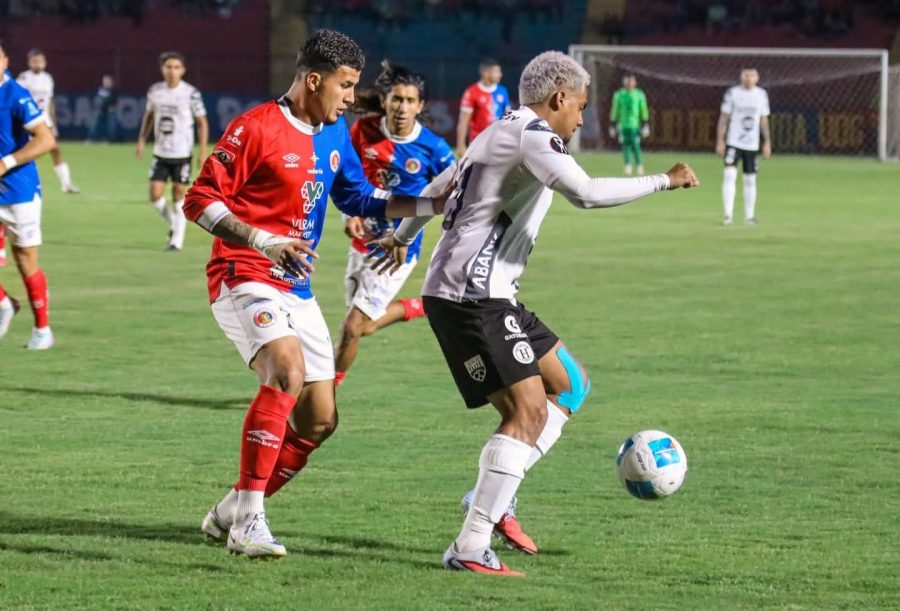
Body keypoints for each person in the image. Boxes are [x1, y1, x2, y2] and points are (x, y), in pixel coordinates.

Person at [371, 51, 698, 576]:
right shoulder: (532, 135)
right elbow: (586, 194)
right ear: (559, 98)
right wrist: (665, 179)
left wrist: (401, 235)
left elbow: (438, 191)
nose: (582, 119)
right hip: (470, 294)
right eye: (581, 107)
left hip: (490, 292)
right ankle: (471, 543)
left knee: (570, 385)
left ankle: (494, 496)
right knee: (527, 413)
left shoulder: (499, 130)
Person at [184, 29, 449, 559]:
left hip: (296, 287)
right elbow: (199, 199)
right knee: (286, 372)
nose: (353, 98)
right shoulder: (256, 127)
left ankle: (231, 509)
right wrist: (264, 240)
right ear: (312, 80)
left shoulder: (333, 134)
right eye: (345, 86)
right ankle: (249, 523)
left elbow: (359, 196)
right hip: (243, 271)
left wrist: (428, 204)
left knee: (320, 420)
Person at [334, 60, 455, 388]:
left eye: (410, 100)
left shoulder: (434, 149)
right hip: (362, 244)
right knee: (365, 325)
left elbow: (457, 192)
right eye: (397, 99)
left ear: (420, 105)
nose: (402, 107)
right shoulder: (364, 131)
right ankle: (417, 307)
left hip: (397, 250)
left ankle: (323, 393)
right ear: (385, 100)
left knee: (352, 327)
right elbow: (345, 177)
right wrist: (350, 216)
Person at [0, 40, 58, 349]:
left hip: (18, 189)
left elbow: (46, 139)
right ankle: (5, 304)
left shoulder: (16, 95)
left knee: (25, 261)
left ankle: (42, 329)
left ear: (5, 61)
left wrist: (6, 162)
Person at [136, 51, 208, 251]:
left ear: (183, 70)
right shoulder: (155, 91)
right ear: (162, 69)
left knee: (178, 195)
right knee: (155, 195)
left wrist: (202, 151)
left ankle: (177, 240)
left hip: (182, 153)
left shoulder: (191, 93)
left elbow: (202, 122)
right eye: (168, 67)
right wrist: (142, 140)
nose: (172, 71)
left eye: (176, 67)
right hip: (161, 152)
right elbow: (149, 116)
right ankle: (175, 225)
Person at [16, 49, 79, 194]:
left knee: (55, 150)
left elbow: (50, 101)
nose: (38, 64)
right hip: (29, 121)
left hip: (44, 119)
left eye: (40, 61)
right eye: (35, 61)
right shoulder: (23, 79)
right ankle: (27, 185)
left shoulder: (48, 78)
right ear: (29, 63)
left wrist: (53, 122)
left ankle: (66, 184)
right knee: (29, 154)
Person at [715, 68, 770, 225]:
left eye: (752, 75)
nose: (748, 78)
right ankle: (728, 215)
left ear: (757, 78)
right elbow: (724, 117)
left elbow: (763, 119)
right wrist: (720, 140)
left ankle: (749, 216)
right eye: (746, 75)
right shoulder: (733, 93)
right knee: (729, 175)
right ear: (741, 76)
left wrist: (767, 142)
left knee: (750, 179)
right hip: (734, 142)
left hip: (752, 144)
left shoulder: (761, 95)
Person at [456, 58, 510, 156]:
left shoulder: (503, 91)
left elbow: (508, 118)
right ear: (486, 73)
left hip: (498, 143)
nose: (500, 75)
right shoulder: (471, 92)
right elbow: (463, 122)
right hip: (478, 144)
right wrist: (461, 145)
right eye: (496, 72)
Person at [609, 73, 650, 176]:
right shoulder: (619, 95)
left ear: (635, 82)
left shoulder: (639, 94)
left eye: (631, 80)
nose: (629, 82)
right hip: (623, 126)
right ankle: (628, 165)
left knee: (635, 145)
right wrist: (613, 123)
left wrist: (645, 123)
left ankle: (639, 165)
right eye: (627, 80)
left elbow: (643, 109)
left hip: (634, 126)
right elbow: (615, 110)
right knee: (625, 146)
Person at [86, 74, 119, 143]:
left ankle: (108, 139)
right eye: (105, 81)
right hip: (99, 111)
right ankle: (90, 139)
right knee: (94, 126)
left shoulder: (114, 92)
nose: (106, 82)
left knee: (110, 127)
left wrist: (113, 108)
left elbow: (116, 102)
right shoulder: (99, 90)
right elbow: (95, 99)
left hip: (109, 112)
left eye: (108, 81)